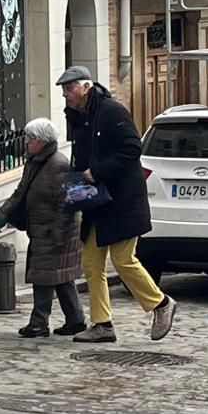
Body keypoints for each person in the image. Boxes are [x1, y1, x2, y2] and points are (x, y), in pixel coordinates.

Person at [56, 65, 176, 344]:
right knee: (91, 262)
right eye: (63, 91)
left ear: (85, 87)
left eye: (69, 89)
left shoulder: (111, 111)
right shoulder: (81, 117)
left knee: (123, 260)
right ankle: (102, 324)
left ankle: (161, 304)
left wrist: (97, 171)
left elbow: (133, 148)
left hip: (122, 202)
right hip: (97, 204)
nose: (66, 96)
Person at [0, 117, 86, 339]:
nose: (27, 142)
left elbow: (68, 205)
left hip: (54, 232)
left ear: (44, 141)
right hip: (42, 229)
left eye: (32, 138)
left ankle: (39, 323)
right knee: (61, 277)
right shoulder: (35, 162)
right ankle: (75, 320)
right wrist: (3, 213)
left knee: (43, 276)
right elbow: (21, 191)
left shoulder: (58, 164)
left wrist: (57, 234)